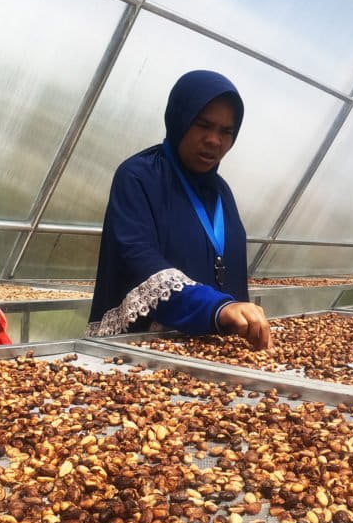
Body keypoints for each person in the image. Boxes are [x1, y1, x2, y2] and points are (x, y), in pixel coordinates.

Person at [87, 70, 271, 347]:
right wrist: (217, 308)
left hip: (212, 350)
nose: (214, 140)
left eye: (226, 131)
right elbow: (138, 257)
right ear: (179, 119)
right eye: (203, 125)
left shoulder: (221, 193)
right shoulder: (139, 176)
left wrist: (238, 318)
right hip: (143, 351)